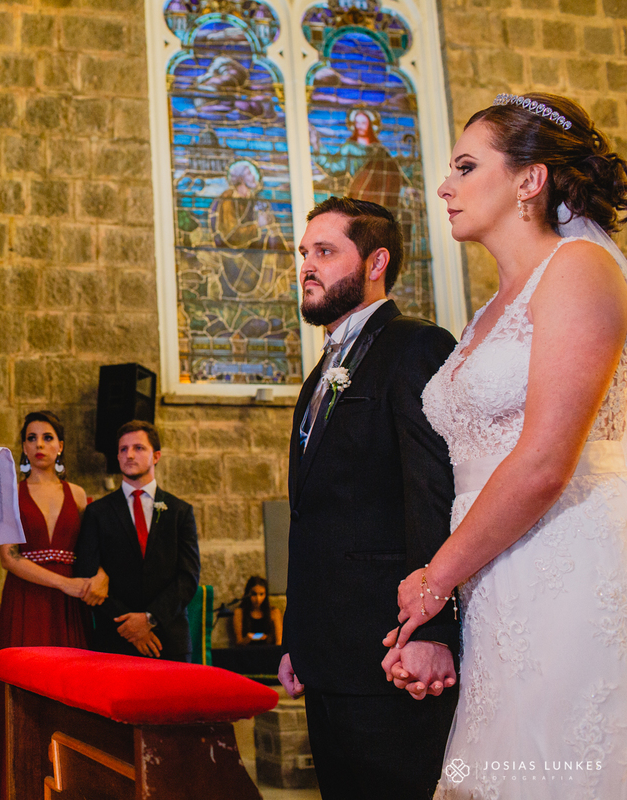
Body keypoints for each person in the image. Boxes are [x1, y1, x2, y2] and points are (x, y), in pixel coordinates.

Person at [390, 93, 627, 797]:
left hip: (571, 561)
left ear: (531, 180)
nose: (444, 185)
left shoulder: (581, 269)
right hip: (500, 578)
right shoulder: (492, 307)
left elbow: (544, 462)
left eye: (466, 166)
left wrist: (434, 581)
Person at [280, 196, 459, 800]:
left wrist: (436, 632)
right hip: (327, 650)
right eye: (305, 253)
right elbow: (311, 517)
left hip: (391, 652)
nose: (307, 265)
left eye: (326, 252)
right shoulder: (319, 372)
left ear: (377, 261)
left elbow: (433, 492)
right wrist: (294, 636)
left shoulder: (415, 347)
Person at [0, 411, 92, 799]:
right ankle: (20, 786)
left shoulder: (78, 495)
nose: (40, 445)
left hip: (70, 608)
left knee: (71, 692)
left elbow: (92, 551)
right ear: (24, 447)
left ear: (60, 445)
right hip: (27, 602)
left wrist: (93, 581)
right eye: (31, 438)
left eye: (48, 437)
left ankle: (70, 785)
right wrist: (65, 584)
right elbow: (9, 558)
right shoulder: (10, 494)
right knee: (25, 695)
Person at [75, 420, 200, 662]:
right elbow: (87, 571)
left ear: (156, 456)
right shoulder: (97, 512)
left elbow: (188, 576)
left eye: (138, 448)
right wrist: (130, 628)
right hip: (115, 639)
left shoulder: (179, 511)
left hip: (168, 639)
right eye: (123, 449)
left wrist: (150, 619)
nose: (129, 455)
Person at [232, 576, 282, 647]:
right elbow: (238, 642)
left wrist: (268, 638)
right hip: (246, 653)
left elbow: (279, 641)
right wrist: (247, 639)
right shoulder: (240, 612)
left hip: (269, 652)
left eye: (261, 594)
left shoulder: (273, 612)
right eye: (254, 594)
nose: (258, 599)